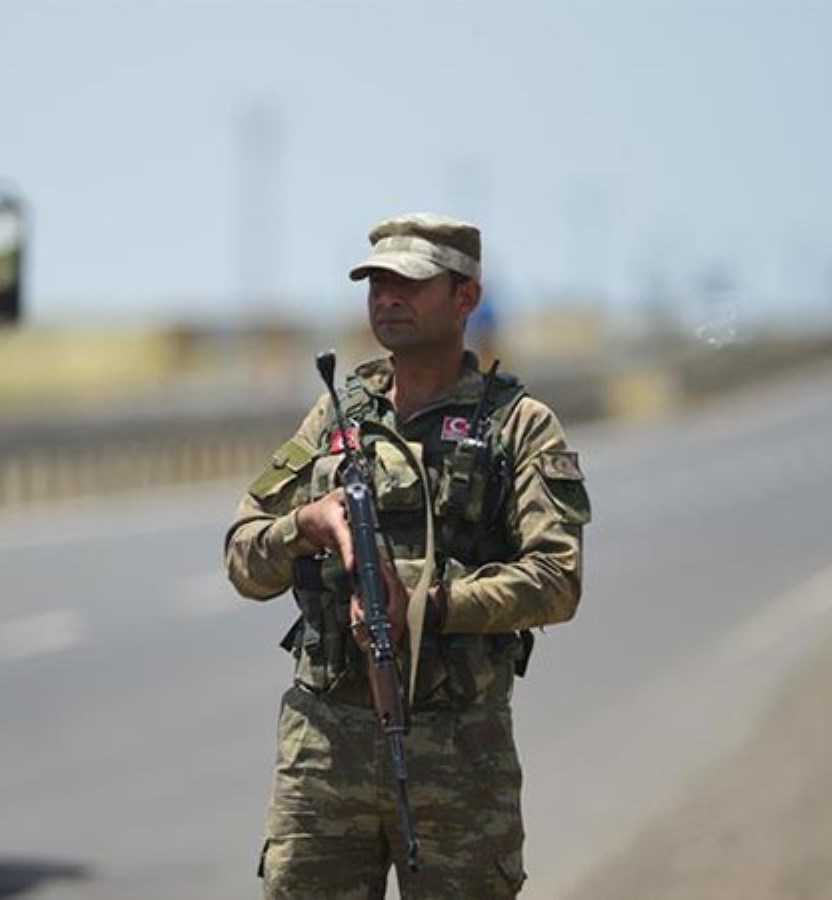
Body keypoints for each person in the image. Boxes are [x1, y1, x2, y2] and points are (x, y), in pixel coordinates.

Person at [224, 213, 591, 898]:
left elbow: (555, 580)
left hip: (457, 754)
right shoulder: (337, 413)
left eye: (411, 282)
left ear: (465, 298)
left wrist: (426, 603)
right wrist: (304, 525)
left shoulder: (517, 426)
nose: (388, 297)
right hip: (325, 747)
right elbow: (243, 557)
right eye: (378, 282)